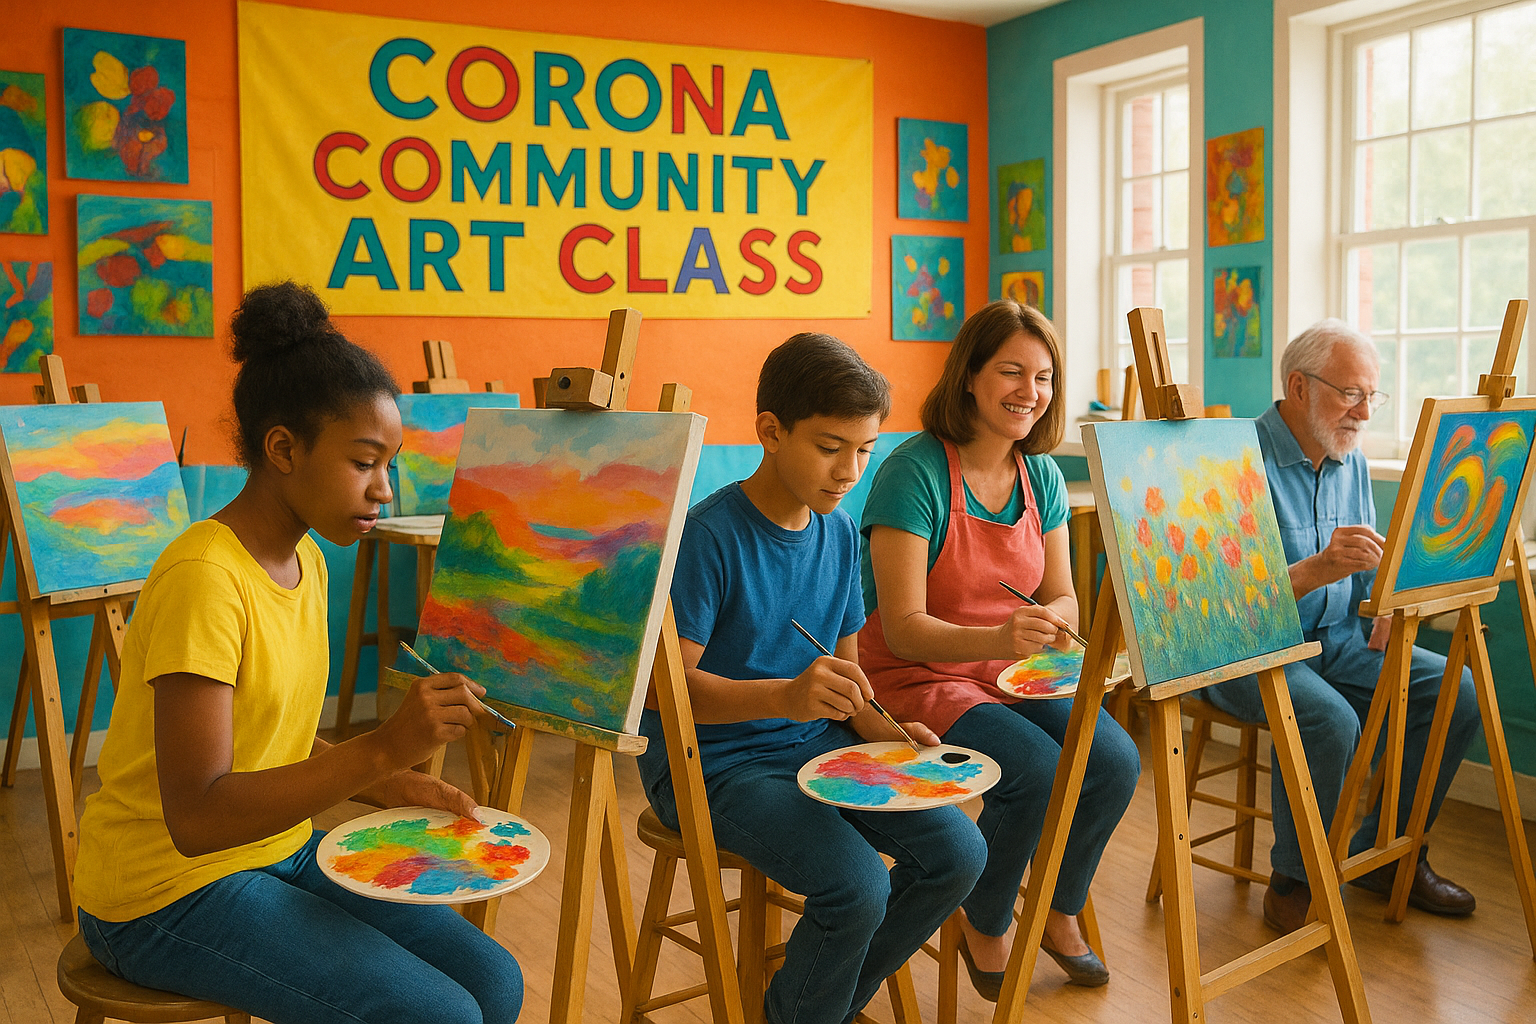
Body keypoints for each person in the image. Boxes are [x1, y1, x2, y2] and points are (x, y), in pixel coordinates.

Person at [73, 282, 523, 1024]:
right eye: (364, 462)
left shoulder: (306, 562)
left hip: (273, 849)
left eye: (390, 464)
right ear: (283, 448)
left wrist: (393, 783)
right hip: (162, 889)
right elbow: (198, 817)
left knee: (494, 981)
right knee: (440, 1015)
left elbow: (264, 739)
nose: (384, 489)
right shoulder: (204, 578)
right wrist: (379, 750)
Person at [636, 333, 986, 1024]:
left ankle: (809, 1006)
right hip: (710, 766)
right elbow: (662, 695)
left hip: (812, 748)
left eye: (864, 450)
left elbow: (850, 677)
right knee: (856, 886)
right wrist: (788, 695)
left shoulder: (838, 534)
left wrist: (886, 730)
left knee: (959, 852)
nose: (849, 470)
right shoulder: (708, 538)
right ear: (770, 431)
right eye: (831, 447)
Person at [859, 300, 1140, 996]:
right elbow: (901, 628)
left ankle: (1058, 906)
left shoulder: (1040, 477)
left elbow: (1062, 593)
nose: (1030, 392)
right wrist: (1000, 636)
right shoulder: (913, 471)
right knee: (1039, 773)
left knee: (1112, 761)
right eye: (1011, 372)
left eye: (1043, 378)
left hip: (1010, 670)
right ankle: (986, 915)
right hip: (914, 675)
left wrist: (1056, 623)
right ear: (969, 379)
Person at [1202, 318, 1482, 933]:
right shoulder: (1233, 459)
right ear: (1298, 387)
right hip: (1250, 651)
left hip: (1337, 642)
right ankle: (1294, 880)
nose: (1362, 411)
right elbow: (1222, 606)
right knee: (1331, 718)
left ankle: (1392, 852)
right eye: (1350, 393)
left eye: (1371, 396)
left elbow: (1364, 566)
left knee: (1456, 691)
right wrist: (1315, 569)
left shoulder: (1347, 458)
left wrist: (1380, 598)